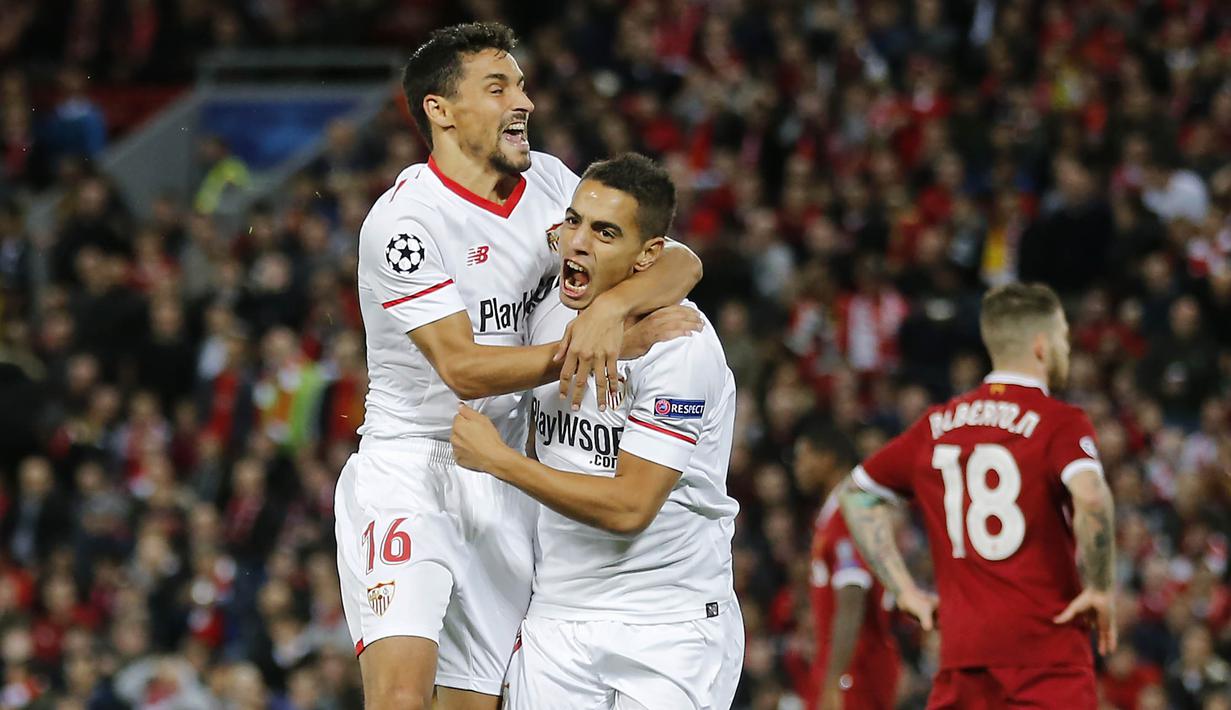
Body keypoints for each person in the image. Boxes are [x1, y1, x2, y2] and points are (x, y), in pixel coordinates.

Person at [336, 24, 704, 710]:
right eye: (498, 87)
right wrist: (600, 345)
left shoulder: (552, 184)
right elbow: (463, 368)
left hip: (504, 473)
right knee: (401, 698)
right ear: (441, 111)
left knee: (474, 703)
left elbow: (680, 260)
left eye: (522, 85)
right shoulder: (405, 224)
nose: (524, 102)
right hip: (411, 467)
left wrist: (608, 309)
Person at [450, 153, 742, 710]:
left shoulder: (679, 344)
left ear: (647, 255)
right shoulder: (547, 308)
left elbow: (630, 507)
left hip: (668, 624)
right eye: (574, 222)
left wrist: (500, 462)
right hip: (557, 618)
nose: (578, 243)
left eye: (606, 233)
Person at [838, 282, 1117, 708]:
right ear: (1041, 345)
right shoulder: (1059, 422)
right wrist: (1100, 586)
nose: (1066, 348)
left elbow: (858, 494)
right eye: (1063, 338)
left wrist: (904, 590)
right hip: (1047, 656)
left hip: (963, 662)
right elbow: (1092, 498)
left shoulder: (936, 425)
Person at [796, 423, 899, 710]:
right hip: (846, 666)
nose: (798, 467)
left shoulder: (847, 514)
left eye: (803, 457)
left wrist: (833, 682)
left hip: (856, 670)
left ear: (827, 459)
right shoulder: (835, 513)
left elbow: (852, 597)